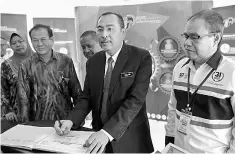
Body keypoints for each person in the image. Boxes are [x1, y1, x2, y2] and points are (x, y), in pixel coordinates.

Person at [54, 12, 154, 153]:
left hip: (130, 140)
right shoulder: (93, 61)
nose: (104, 34)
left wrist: (107, 133)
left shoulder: (140, 57)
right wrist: (71, 120)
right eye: (100, 29)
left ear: (123, 32)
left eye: (110, 29)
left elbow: (135, 101)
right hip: (98, 138)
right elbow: (86, 98)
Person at [165, 9, 235, 153]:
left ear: (215, 38)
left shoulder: (233, 72)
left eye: (194, 37)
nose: (186, 43)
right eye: (186, 36)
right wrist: (169, 143)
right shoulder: (180, 67)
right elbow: (173, 109)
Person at [17, 24, 82, 123]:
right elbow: (23, 98)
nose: (39, 44)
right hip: (38, 121)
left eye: (43, 39)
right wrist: (24, 123)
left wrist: (78, 118)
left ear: (51, 40)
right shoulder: (26, 65)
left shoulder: (65, 60)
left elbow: (76, 91)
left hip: (65, 121)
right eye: (35, 40)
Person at [1, 32, 34, 133]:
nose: (18, 45)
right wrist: (7, 111)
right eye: (14, 43)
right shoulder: (6, 65)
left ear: (27, 42)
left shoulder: (39, 61)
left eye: (20, 41)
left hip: (41, 112)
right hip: (17, 115)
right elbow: (3, 90)